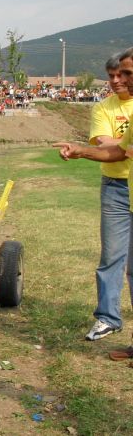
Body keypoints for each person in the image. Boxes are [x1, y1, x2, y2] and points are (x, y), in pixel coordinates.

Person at [83, 53, 133, 341]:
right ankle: (108, 317)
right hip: (115, 186)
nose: (116, 81)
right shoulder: (103, 107)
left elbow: (114, 144)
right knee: (112, 255)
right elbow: (104, 143)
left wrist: (120, 143)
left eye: (121, 75)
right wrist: (126, 144)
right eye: (111, 76)